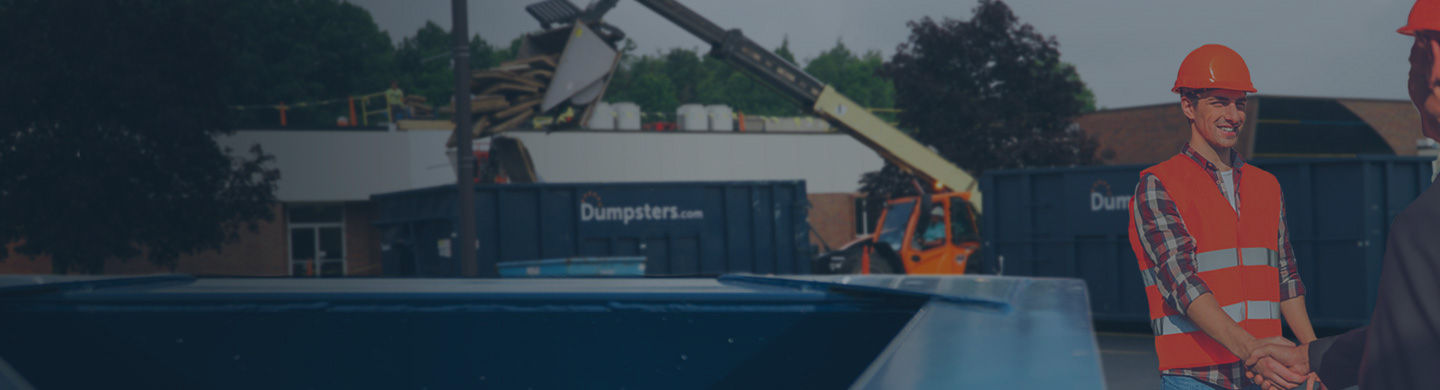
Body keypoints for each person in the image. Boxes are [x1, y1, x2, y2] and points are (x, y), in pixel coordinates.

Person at [1245, 1, 1440, 389]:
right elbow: (1416, 332)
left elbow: (1410, 354)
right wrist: (1312, 356)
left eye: (1412, 60)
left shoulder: (1425, 224)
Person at [1127, 44, 1319, 390]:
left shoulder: (1267, 185)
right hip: (1198, 376)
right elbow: (1181, 283)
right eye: (1219, 102)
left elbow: (1286, 279)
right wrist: (1254, 350)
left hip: (1265, 376)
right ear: (1188, 105)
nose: (1233, 115)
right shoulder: (1159, 186)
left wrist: (1313, 356)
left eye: (1240, 103)